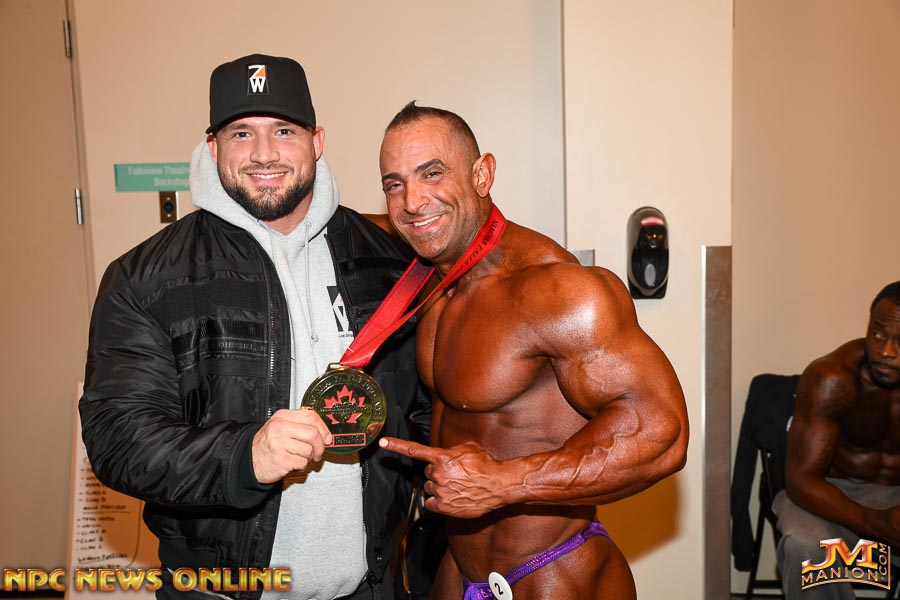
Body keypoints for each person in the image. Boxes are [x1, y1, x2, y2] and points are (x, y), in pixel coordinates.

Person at [79, 55, 431, 600]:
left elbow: (424, 410)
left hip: (372, 588)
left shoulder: (389, 264)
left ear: (317, 141)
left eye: (284, 131)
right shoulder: (144, 279)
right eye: (241, 133)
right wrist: (244, 457)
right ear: (212, 147)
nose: (264, 154)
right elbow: (118, 439)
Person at [376, 102, 689, 599]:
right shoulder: (431, 282)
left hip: (552, 571)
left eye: (432, 173)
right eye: (394, 184)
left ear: (482, 174)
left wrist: (503, 483)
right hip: (458, 571)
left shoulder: (557, 292)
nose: (412, 201)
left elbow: (661, 432)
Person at [775, 281, 900, 599]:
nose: (886, 351)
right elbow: (800, 481)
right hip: (829, 497)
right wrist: (876, 524)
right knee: (806, 548)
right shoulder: (833, 378)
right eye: (878, 334)